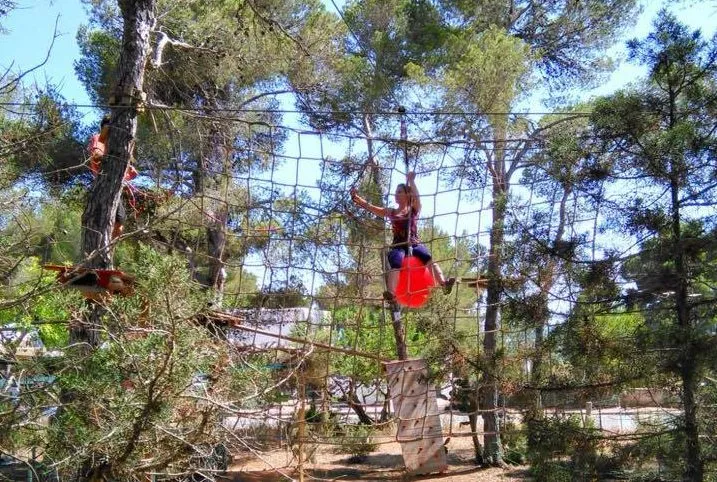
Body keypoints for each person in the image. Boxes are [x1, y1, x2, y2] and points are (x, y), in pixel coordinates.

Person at [350, 171, 455, 301]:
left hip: (414, 243)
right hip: (398, 246)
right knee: (396, 261)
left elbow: (417, 197)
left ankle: (443, 283)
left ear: (407, 195)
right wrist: (357, 199)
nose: (396, 194)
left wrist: (411, 181)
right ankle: (391, 293)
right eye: (396, 192)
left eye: (400, 191)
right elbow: (372, 208)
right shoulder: (391, 212)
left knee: (427, 258)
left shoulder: (414, 209)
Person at [87, 115, 138, 239]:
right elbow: (96, 156)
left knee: (119, 223)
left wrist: (129, 171)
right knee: (107, 222)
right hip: (103, 183)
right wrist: (114, 158)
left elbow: (127, 174)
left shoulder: (117, 144)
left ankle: (108, 248)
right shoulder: (99, 138)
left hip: (115, 186)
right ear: (106, 127)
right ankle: (103, 246)